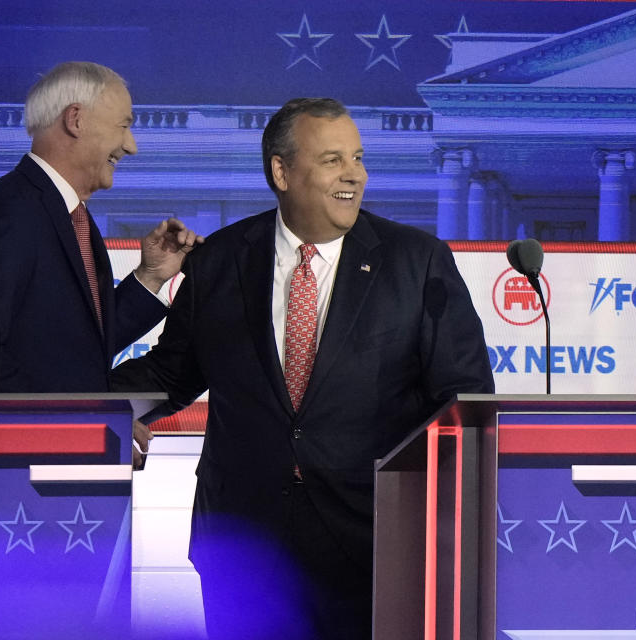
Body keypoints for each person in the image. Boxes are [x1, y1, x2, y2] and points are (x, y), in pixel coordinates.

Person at [112, 98, 495, 639]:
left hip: (373, 544)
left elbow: (463, 397)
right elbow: (171, 377)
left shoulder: (417, 261)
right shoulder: (220, 259)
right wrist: (81, 407)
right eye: (333, 160)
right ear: (282, 171)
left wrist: (443, 530)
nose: (354, 176)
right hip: (242, 542)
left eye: (358, 159)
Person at [0, 62, 201, 410]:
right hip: (19, 460)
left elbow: (79, 347)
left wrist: (150, 276)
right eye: (124, 126)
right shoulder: (6, 208)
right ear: (76, 120)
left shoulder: (69, 214)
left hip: (63, 458)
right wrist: (65, 426)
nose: (131, 145)